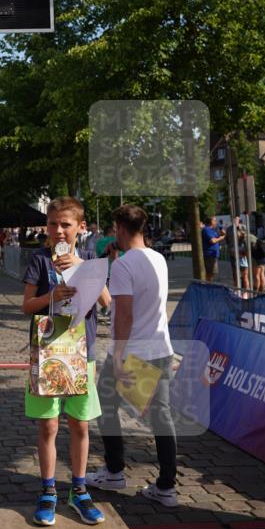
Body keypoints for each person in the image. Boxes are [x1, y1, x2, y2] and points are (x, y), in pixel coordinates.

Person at [22, 197, 110, 527]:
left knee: (80, 424)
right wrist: (51, 297)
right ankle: (48, 490)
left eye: (66, 224)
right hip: (48, 351)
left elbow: (106, 302)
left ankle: (79, 489)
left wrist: (81, 268)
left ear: (80, 227)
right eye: (53, 224)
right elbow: (27, 305)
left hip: (81, 353)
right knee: (48, 425)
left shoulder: (90, 259)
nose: (59, 230)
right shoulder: (39, 259)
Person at [87, 204, 178, 506]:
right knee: (161, 417)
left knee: (106, 406)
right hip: (160, 347)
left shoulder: (124, 266)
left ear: (122, 229)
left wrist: (118, 354)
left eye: (115, 229)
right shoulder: (157, 258)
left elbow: (124, 313)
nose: (114, 234)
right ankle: (167, 485)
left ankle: (114, 471)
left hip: (134, 352)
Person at [201, 216, 225, 283]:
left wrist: (221, 234)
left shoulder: (212, 230)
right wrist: (221, 238)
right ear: (211, 221)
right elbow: (213, 240)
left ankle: (209, 285)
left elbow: (216, 237)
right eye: (215, 220)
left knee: (212, 273)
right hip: (210, 255)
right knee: (210, 273)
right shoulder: (206, 230)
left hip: (213, 255)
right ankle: (209, 285)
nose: (216, 222)